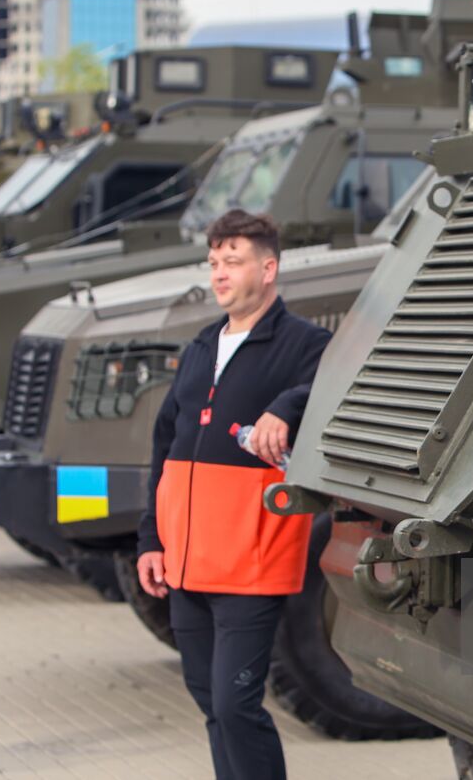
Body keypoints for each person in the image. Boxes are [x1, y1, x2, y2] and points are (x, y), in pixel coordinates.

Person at [136, 209, 330, 780]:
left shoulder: (304, 343)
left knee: (234, 703)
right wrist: (151, 540)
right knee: (208, 701)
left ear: (268, 269)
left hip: (253, 560)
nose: (219, 273)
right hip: (187, 564)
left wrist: (286, 407)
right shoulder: (199, 346)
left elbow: (336, 384)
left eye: (233, 261)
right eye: (214, 262)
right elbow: (163, 449)